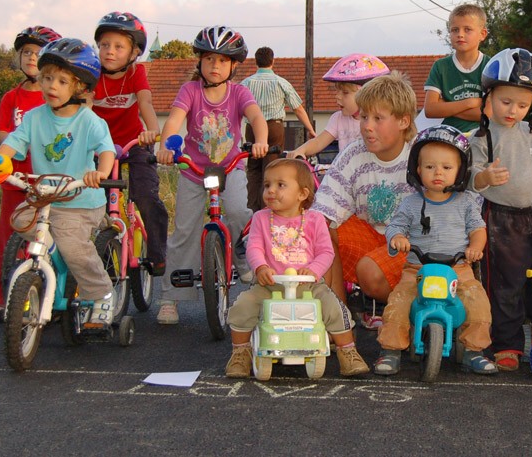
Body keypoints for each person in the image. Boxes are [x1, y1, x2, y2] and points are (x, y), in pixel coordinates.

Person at [0, 38, 117, 325]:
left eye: (62, 81)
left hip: (80, 201)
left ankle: (101, 293)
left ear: (79, 87)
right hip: (45, 198)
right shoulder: (33, 118)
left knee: (75, 248)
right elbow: (12, 144)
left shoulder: (89, 121)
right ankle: (50, 256)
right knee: (19, 219)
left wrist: (100, 174)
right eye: (48, 78)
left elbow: (106, 151)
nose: (52, 86)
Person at [154, 26, 269, 325]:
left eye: (221, 60)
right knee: (184, 230)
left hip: (230, 168)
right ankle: (170, 297)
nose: (214, 66)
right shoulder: (190, 91)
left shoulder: (239, 92)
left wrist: (261, 141)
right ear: (200, 64)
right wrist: (168, 147)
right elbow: (175, 121)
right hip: (194, 169)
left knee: (239, 211)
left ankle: (242, 253)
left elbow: (256, 116)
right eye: (208, 60)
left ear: (233, 65)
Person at [469, 48, 532, 371]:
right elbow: (471, 176)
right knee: (505, 283)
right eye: (506, 102)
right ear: (489, 97)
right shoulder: (482, 137)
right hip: (500, 218)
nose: (514, 110)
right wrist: (485, 176)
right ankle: (507, 343)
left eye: (523, 104)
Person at [224, 158, 369, 378]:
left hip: (309, 287)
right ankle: (240, 353)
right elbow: (253, 248)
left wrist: (313, 270)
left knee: (335, 309)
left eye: (280, 185)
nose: (271, 190)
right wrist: (261, 267)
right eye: (267, 185)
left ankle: (347, 352)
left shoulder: (315, 220)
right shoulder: (261, 219)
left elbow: (326, 252)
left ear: (302, 194)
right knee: (243, 307)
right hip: (270, 286)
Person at [374, 126, 496, 376]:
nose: (438, 172)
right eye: (429, 167)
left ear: (460, 171)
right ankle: (391, 350)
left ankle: (474, 351)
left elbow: (478, 230)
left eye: (447, 168)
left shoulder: (466, 203)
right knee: (398, 303)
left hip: (458, 269)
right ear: (417, 170)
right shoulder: (411, 203)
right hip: (417, 269)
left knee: (477, 302)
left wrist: (475, 248)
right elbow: (395, 226)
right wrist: (397, 237)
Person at [311, 71, 417, 325]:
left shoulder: (420, 154)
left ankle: (409, 310)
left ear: (403, 121)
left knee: (370, 271)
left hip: (410, 245)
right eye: (364, 116)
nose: (367, 126)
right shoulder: (354, 153)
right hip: (370, 237)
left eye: (378, 118)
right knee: (320, 229)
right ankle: (338, 316)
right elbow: (324, 210)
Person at [0, 25, 62, 322]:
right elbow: (1, 134)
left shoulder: (55, 97)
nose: (32, 57)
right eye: (27, 52)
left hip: (50, 181)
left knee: (52, 239)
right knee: (8, 239)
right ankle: (0, 298)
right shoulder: (11, 97)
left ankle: (50, 297)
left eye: (39, 53)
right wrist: (19, 140)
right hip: (16, 179)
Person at [92, 12, 170, 276]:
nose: (109, 51)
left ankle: (158, 252)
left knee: (146, 196)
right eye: (104, 45)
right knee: (93, 199)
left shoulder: (137, 73)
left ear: (134, 52)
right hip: (99, 147)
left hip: (134, 142)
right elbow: (85, 111)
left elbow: (145, 103)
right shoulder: (92, 75)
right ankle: (96, 252)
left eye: (118, 46)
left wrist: (153, 130)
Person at [241, 47, 317, 211]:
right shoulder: (281, 82)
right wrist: (310, 128)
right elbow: (298, 108)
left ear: (256, 61)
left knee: (253, 170)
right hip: (274, 126)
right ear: (272, 60)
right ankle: (268, 208)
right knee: (272, 168)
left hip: (252, 128)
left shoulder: (246, 83)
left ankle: (251, 208)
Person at [287, 53, 390, 159]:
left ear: (367, 95)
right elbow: (318, 142)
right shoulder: (338, 119)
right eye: (337, 91)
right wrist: (300, 150)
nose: (338, 96)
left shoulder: (377, 123)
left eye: (345, 92)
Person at [423, 3, 490, 133]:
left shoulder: (491, 66)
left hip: (481, 137)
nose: (460, 34)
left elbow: (488, 114)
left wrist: (444, 106)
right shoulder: (440, 66)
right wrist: (469, 103)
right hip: (447, 136)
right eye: (455, 30)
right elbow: (430, 110)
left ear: (482, 34)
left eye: (467, 29)